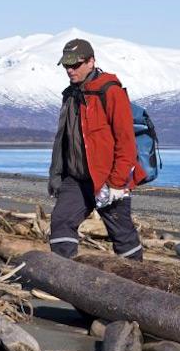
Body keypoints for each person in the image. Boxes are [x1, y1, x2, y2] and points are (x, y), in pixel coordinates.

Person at [47, 38, 145, 261]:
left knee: (122, 234)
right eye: (66, 66)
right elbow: (63, 139)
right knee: (61, 221)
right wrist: (55, 175)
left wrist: (117, 183)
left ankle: (138, 283)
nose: (70, 70)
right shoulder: (69, 95)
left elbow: (126, 141)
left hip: (108, 179)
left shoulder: (111, 92)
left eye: (75, 65)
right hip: (76, 179)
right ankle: (63, 278)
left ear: (91, 61)